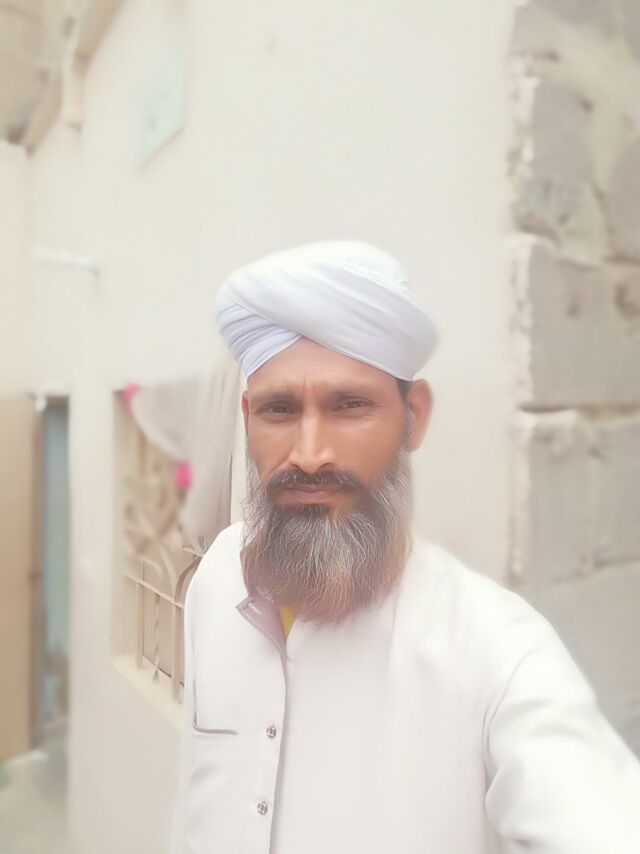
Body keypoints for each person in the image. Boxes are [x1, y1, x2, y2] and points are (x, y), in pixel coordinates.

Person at [170, 241, 640, 854]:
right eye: (279, 410)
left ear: (413, 416)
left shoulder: (499, 654)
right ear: (247, 417)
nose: (309, 453)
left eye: (350, 406)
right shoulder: (214, 579)